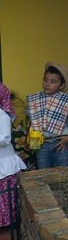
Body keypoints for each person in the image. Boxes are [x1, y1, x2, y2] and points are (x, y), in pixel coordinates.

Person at [26, 62, 68, 169]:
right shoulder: (36, 98)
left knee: (63, 174)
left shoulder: (67, 100)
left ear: (62, 85)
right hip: (42, 144)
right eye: (45, 80)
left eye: (53, 81)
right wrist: (29, 137)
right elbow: (33, 120)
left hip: (61, 144)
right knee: (44, 174)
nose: (47, 84)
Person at [0, 89, 26, 227]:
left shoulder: (2, 116)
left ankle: (9, 222)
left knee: (5, 194)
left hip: (4, 163)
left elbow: (5, 139)